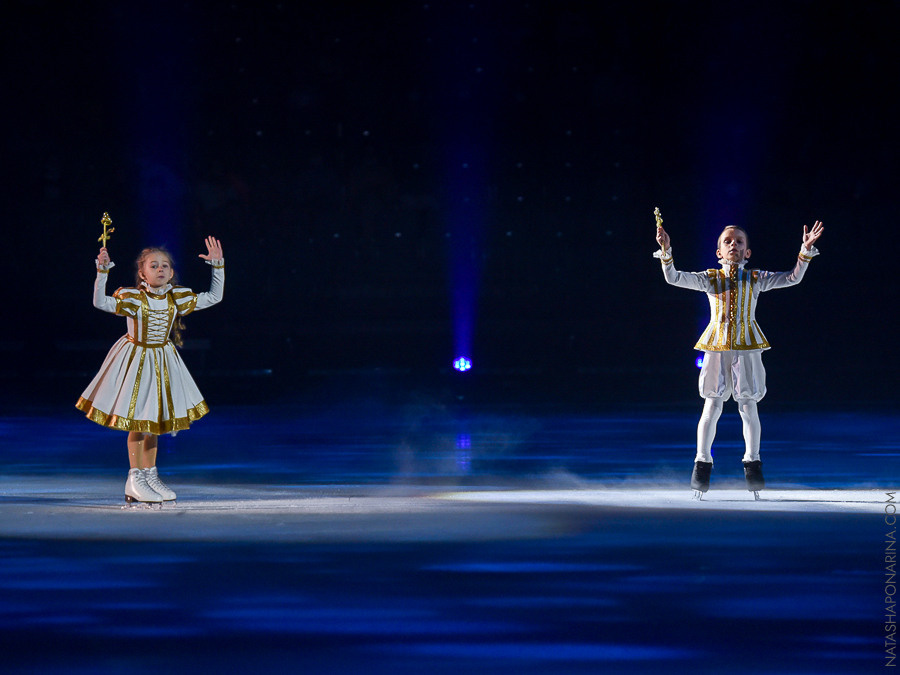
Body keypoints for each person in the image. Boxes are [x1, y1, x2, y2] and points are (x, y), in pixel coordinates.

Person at [654, 220, 823, 499]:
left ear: (748, 252)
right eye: (728, 242)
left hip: (746, 346)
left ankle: (753, 464)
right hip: (717, 346)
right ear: (719, 252)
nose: (734, 244)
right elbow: (674, 277)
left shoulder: (755, 278)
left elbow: (792, 277)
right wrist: (666, 250)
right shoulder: (710, 277)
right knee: (712, 404)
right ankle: (701, 464)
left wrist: (804, 251)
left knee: (748, 405)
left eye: (739, 242)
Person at [76, 236, 224, 505]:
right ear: (142, 272)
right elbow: (101, 303)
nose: (160, 269)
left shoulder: (176, 297)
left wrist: (218, 267)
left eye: (165, 265)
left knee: (154, 423)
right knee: (138, 420)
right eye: (153, 265)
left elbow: (214, 297)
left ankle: (149, 474)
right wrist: (102, 273)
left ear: (172, 273)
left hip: (163, 360)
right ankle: (135, 478)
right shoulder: (134, 297)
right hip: (136, 359)